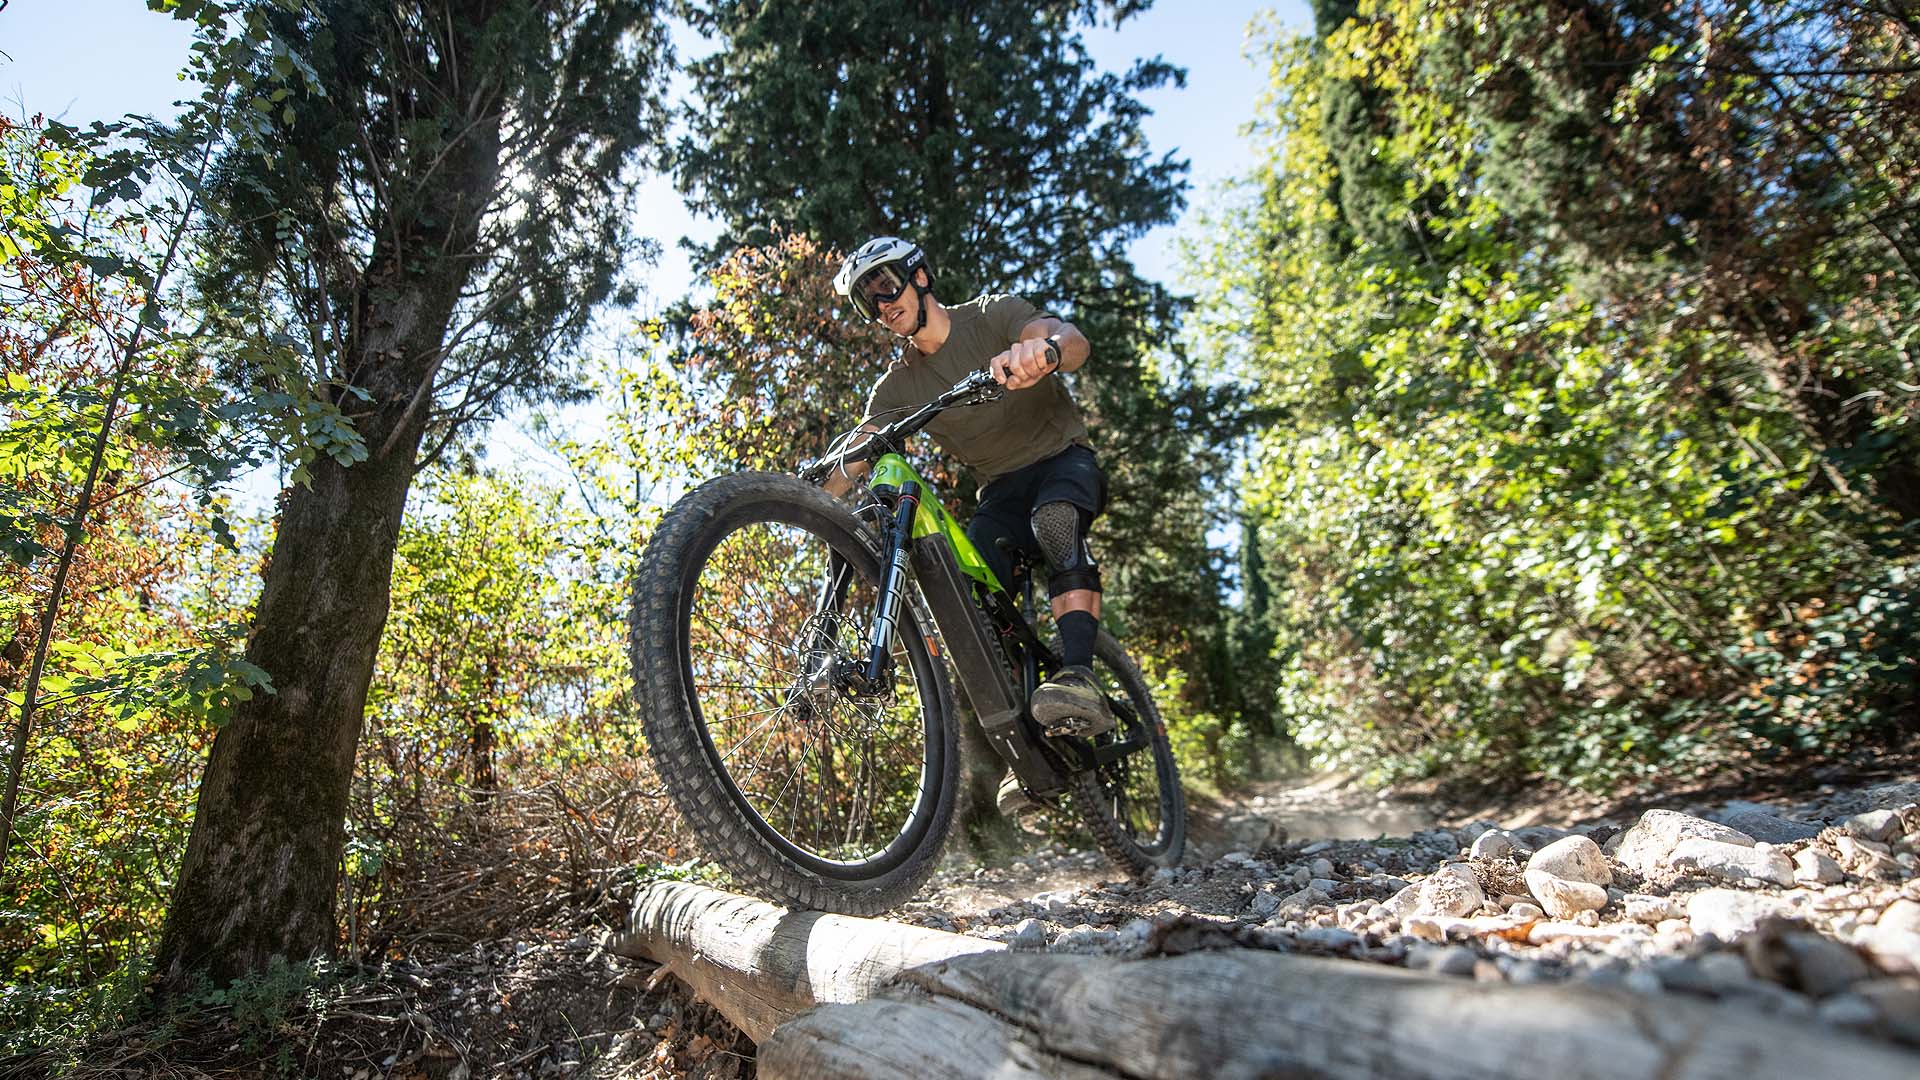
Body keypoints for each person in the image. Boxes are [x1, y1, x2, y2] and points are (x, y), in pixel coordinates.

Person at [821, 236, 1112, 819]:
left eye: (883, 284)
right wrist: (809, 489)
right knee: (972, 603)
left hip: (1061, 460)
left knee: (1055, 523)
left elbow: (1069, 339)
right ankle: (1027, 753)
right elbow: (858, 450)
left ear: (919, 276)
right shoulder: (898, 388)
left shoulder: (993, 316)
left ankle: (1079, 673)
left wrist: (1044, 354)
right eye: (864, 300)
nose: (880, 304)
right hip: (998, 493)